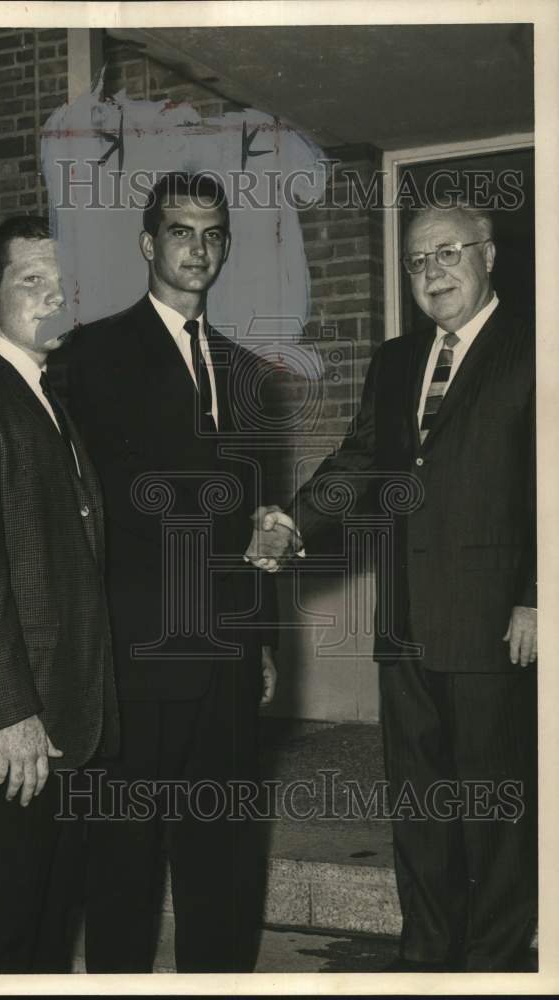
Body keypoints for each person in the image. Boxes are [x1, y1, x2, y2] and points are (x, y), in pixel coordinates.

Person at [247, 200, 537, 972]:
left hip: (495, 625)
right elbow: (359, 463)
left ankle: (497, 967)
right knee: (420, 807)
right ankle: (428, 958)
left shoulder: (535, 344)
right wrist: (292, 525)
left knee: (496, 813)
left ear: (488, 255)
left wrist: (538, 594)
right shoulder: (398, 362)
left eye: (449, 253)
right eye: (417, 261)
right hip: (404, 624)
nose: (433, 273)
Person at [56, 173, 278, 973]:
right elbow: (94, 508)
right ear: (149, 243)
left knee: (223, 853)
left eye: (213, 234)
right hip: (138, 655)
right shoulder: (92, 354)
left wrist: (261, 637)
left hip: (226, 652)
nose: (199, 247)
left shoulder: (246, 371)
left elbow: (256, 514)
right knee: (126, 860)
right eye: (182, 231)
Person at [0, 216, 118, 973]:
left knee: (45, 931)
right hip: (24, 731)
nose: (53, 297)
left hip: (67, 716)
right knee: (5, 937)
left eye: (63, 284)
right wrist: (11, 715)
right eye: (31, 281)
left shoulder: (45, 393)